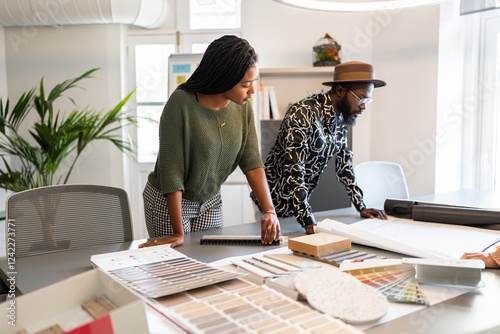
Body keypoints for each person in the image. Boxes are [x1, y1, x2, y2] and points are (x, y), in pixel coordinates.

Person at [139, 35, 280, 248]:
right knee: (180, 269)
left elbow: (251, 161)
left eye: (254, 82)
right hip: (170, 201)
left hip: (210, 201)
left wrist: (269, 210)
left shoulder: (242, 106)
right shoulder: (180, 104)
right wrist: (178, 232)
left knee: (211, 263)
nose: (252, 91)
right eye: (245, 84)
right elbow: (172, 172)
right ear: (223, 78)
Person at [252, 61, 388, 234]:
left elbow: (344, 165)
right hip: (271, 204)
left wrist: (361, 206)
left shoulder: (341, 119)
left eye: (367, 100)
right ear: (340, 91)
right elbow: (295, 170)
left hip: (299, 207)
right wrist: (307, 220)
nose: (363, 107)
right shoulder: (302, 113)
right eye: (361, 98)